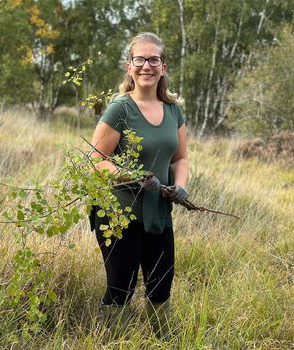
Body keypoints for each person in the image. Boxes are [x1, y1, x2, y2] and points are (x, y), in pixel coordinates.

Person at [90, 32, 189, 338]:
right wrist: (132, 176)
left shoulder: (173, 110)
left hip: (158, 210)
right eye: (140, 59)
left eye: (154, 59)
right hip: (118, 213)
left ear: (163, 66)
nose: (147, 65)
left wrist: (181, 187)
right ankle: (113, 340)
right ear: (129, 66)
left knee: (161, 284)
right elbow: (96, 162)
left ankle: (162, 340)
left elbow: (180, 159)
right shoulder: (120, 109)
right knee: (122, 285)